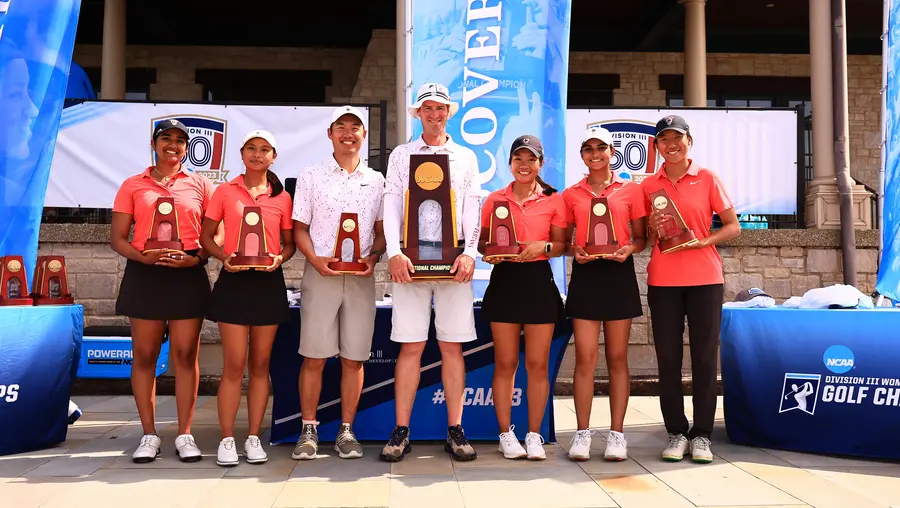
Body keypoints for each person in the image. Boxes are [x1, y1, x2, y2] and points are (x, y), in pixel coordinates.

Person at [380, 83, 481, 462]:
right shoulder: (401, 155)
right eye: (427, 109)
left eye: (440, 108)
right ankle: (401, 430)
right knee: (411, 346)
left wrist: (470, 252)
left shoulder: (465, 157)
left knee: (452, 347)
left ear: (449, 112)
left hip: (453, 262)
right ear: (417, 113)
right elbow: (392, 205)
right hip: (410, 263)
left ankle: (456, 429)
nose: (434, 114)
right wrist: (393, 252)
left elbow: (473, 208)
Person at [110, 119, 216, 463]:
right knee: (145, 356)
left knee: (186, 356)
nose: (173, 145)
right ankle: (149, 434)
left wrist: (196, 259)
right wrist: (142, 255)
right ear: (154, 144)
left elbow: (218, 235)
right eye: (166, 138)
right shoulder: (132, 184)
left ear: (188, 148)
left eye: (180, 141)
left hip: (187, 277)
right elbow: (118, 238)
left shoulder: (201, 184)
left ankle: (185, 434)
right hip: (146, 276)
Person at [641, 115, 741, 464]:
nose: (671, 145)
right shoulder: (648, 185)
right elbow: (644, 239)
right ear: (656, 146)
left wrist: (704, 241)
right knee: (668, 360)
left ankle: (701, 435)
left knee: (702, 359)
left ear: (689, 142)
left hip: (706, 280)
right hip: (663, 282)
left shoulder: (708, 178)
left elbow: (732, 227)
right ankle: (675, 432)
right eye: (664, 139)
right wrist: (652, 230)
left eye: (677, 138)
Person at [291, 106, 385, 460]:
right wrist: (316, 261)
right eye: (341, 127)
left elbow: (380, 233)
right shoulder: (312, 174)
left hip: (360, 278)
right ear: (330, 134)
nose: (348, 133)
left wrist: (373, 258)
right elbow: (299, 228)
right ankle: (308, 429)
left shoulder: (376, 180)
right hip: (321, 274)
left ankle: (346, 431)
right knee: (314, 356)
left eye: (355, 127)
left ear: (364, 135)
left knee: (354, 359)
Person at [200, 129, 296, 467]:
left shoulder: (282, 197)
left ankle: (254, 437)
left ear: (274, 156)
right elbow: (206, 236)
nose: (257, 154)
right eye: (251, 149)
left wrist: (279, 259)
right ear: (241, 154)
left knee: (260, 365)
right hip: (234, 282)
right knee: (234, 365)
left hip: (268, 284)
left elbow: (289, 244)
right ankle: (227, 439)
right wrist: (222, 257)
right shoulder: (225, 191)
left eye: (264, 149)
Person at [478, 135, 566, 461]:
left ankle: (533, 434)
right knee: (505, 362)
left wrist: (541, 247)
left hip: (539, 282)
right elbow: (483, 244)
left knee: (537, 364)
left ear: (540, 163)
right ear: (510, 163)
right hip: (505, 282)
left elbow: (561, 244)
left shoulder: (554, 200)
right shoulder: (493, 200)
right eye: (518, 159)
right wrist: (491, 254)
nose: (524, 165)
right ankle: (506, 434)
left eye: (531, 159)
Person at [562, 127, 647, 461]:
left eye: (601, 148)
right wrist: (574, 251)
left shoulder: (631, 190)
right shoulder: (571, 194)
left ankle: (617, 434)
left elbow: (641, 238)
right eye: (588, 148)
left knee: (617, 358)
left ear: (613, 152)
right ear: (582, 154)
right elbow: (565, 241)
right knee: (585, 358)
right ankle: (582, 434)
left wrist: (629, 249)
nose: (595, 153)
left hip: (618, 273)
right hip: (586, 275)